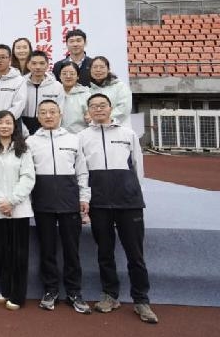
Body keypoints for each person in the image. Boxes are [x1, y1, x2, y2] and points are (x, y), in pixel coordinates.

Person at [78, 93, 157, 324]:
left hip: (128, 203)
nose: (98, 109)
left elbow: (138, 166)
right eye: (94, 106)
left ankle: (141, 300)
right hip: (99, 202)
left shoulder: (128, 134)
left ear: (111, 108)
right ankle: (110, 295)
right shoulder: (82, 137)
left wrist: (135, 192)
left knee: (135, 255)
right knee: (105, 252)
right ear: (88, 111)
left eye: (102, 105)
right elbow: (81, 171)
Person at [26, 100, 91, 314]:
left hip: (69, 202)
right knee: (47, 250)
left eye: (52, 112)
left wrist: (84, 197)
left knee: (72, 250)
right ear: (38, 117)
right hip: (42, 202)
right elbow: (27, 174)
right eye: (43, 112)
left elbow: (82, 171)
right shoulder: (31, 142)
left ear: (60, 114)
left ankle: (74, 292)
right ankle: (50, 290)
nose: (48, 116)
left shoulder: (74, 139)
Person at [0, 111, 35, 310]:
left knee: (19, 254)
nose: (4, 126)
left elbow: (28, 177)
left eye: (8, 123)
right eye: (0, 123)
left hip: (19, 210)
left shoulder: (24, 149)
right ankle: (5, 289)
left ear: (14, 126)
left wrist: (12, 201)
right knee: (1, 252)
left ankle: (18, 295)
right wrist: (1, 202)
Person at [20, 50, 64, 135]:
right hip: (23, 127)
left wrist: (53, 131)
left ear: (47, 65)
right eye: (34, 63)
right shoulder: (20, 83)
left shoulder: (57, 86)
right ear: (28, 65)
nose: (38, 67)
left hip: (48, 127)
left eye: (42, 63)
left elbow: (60, 112)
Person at [88, 56, 132, 127]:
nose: (98, 70)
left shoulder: (120, 86)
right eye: (95, 67)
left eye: (102, 67)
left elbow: (124, 109)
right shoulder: (89, 90)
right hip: (96, 129)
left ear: (108, 70)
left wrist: (103, 119)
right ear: (90, 70)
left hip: (118, 128)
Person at [60, 61, 90, 133]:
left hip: (80, 136)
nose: (68, 76)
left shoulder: (86, 94)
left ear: (78, 76)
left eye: (72, 73)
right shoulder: (53, 93)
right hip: (57, 136)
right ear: (60, 76)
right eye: (64, 73)